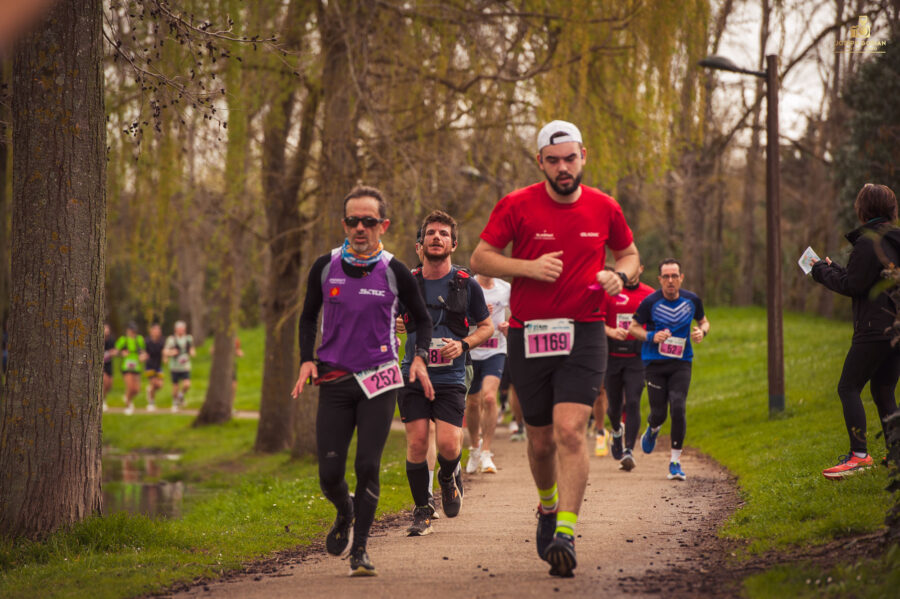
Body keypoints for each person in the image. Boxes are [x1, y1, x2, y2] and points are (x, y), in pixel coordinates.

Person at [471, 120, 640, 578]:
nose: (563, 168)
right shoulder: (517, 204)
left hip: (584, 331)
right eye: (553, 160)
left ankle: (565, 531)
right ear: (540, 162)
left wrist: (619, 276)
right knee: (541, 439)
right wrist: (526, 266)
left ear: (583, 155)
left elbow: (630, 255)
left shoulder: (605, 207)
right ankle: (547, 508)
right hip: (529, 333)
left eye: (570, 158)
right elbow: (481, 257)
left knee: (570, 430)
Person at [291, 185, 434, 577]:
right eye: (353, 221)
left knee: (368, 465)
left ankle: (362, 551)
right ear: (344, 223)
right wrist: (306, 360)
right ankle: (345, 510)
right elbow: (307, 317)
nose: (359, 228)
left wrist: (419, 358)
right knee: (330, 473)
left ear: (382, 224)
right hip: (335, 379)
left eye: (368, 221)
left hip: (380, 379)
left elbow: (422, 319)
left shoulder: (394, 270)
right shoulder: (325, 266)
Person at [400, 210, 493, 536]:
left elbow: (486, 326)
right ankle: (423, 510)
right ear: (419, 244)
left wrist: (465, 345)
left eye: (443, 234)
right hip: (413, 372)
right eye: (430, 233)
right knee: (417, 443)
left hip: (451, 375)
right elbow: (385, 319)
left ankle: (447, 478)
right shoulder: (406, 283)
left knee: (450, 446)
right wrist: (396, 324)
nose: (436, 238)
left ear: (453, 244)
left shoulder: (466, 284)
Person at [811, 183, 900, 479]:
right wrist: (833, 268)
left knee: (848, 387)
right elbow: (862, 278)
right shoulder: (894, 240)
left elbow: (854, 286)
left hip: (872, 329)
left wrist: (820, 272)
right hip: (895, 330)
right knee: (883, 389)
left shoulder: (867, 242)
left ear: (863, 210)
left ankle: (859, 455)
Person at [628, 258, 710, 482]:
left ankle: (675, 461)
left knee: (678, 405)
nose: (671, 281)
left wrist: (702, 332)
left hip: (681, 361)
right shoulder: (649, 302)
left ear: (681, 278)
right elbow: (633, 327)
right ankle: (653, 428)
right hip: (654, 363)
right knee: (659, 413)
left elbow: (704, 321)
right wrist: (652, 336)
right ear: (660, 279)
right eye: (666, 277)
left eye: (675, 276)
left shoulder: (692, 300)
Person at [602, 264, 654, 470]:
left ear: (640, 269)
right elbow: (598, 321)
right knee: (614, 407)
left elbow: (656, 323)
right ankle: (616, 432)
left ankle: (629, 450)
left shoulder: (650, 295)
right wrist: (612, 332)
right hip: (612, 355)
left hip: (637, 356)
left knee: (633, 401)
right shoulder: (611, 292)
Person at [465, 273, 511, 474]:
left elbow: (512, 314)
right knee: (473, 403)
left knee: (490, 398)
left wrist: (508, 325)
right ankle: (475, 446)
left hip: (496, 350)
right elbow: (456, 316)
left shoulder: (505, 288)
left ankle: (486, 451)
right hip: (471, 350)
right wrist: (475, 316)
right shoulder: (468, 284)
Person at [115, 322, 148, 415]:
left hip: (136, 366)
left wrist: (143, 356)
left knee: (136, 389)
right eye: (131, 330)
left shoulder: (139, 339)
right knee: (130, 387)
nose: (133, 333)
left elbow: (143, 352)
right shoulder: (123, 340)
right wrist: (122, 353)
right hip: (126, 366)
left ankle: (127, 397)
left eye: (134, 331)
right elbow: (115, 352)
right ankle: (128, 405)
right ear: (128, 330)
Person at [164, 320, 195, 412]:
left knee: (187, 384)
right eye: (179, 329)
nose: (181, 330)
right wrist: (171, 353)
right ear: (176, 329)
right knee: (175, 387)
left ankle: (181, 396)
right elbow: (165, 351)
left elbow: (192, 349)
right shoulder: (171, 339)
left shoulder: (189, 338)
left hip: (185, 366)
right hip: (175, 366)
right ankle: (174, 403)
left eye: (183, 329)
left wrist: (192, 353)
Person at [143, 323, 165, 411]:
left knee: (159, 385)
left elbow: (164, 351)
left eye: (158, 330)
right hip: (149, 366)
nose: (157, 332)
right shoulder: (147, 341)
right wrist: (143, 355)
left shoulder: (162, 341)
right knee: (153, 383)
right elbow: (143, 351)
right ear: (151, 331)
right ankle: (151, 403)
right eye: (155, 330)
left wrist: (165, 357)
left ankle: (149, 391)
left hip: (158, 366)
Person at [101, 323, 115, 410]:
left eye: (107, 329)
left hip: (109, 364)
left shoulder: (111, 340)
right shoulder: (100, 340)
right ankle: (103, 401)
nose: (106, 331)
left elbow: (114, 350)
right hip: (102, 366)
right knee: (105, 383)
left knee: (109, 385)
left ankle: (103, 398)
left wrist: (111, 353)